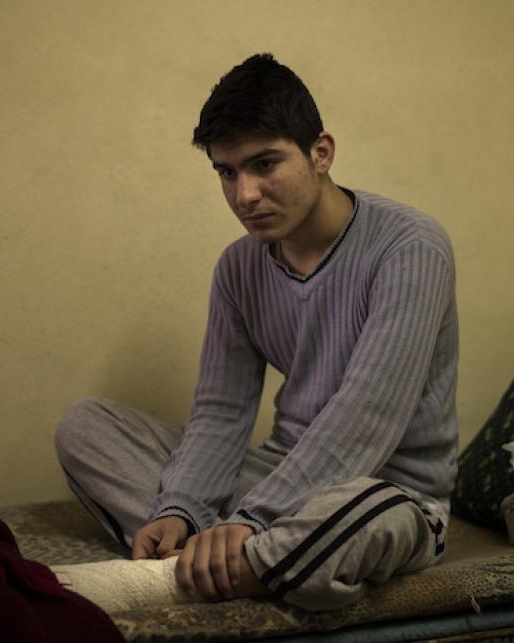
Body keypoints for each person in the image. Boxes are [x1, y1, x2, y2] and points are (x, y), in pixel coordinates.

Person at [52, 53, 459, 613]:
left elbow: (368, 415)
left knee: (352, 520)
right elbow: (221, 411)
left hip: (381, 490)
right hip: (281, 473)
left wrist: (253, 519)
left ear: (322, 153)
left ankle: (199, 568)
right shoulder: (237, 268)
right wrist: (182, 508)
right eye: (226, 171)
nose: (244, 194)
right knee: (85, 428)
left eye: (264, 164)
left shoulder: (409, 246)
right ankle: (231, 556)